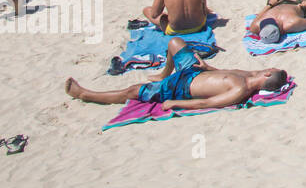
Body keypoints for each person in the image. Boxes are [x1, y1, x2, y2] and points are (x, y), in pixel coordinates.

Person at [65, 37, 287, 112]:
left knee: (133, 91)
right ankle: (163, 73)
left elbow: (208, 102)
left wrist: (175, 104)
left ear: (268, 74)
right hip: (192, 71)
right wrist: (207, 68)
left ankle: (86, 94)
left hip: (179, 88)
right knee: (175, 43)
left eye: (271, 68)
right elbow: (221, 74)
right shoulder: (247, 75)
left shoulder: (241, 90)